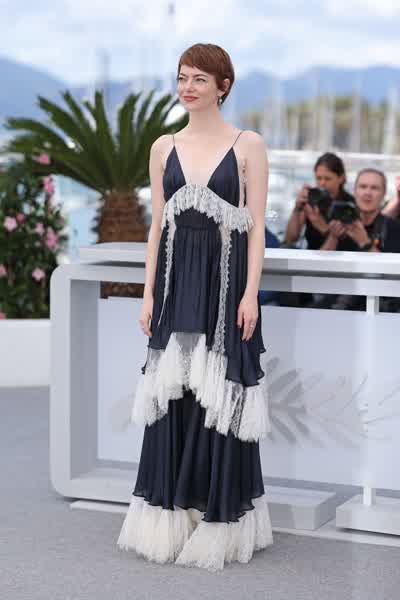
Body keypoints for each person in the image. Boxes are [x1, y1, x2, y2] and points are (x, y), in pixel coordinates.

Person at [117, 43, 273, 571]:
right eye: (183, 77)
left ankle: (216, 518)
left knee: (221, 396)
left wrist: (251, 293)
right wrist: (147, 293)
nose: (188, 87)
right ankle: (173, 515)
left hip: (226, 288)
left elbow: (257, 228)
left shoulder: (248, 144)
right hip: (175, 284)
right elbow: (156, 228)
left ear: (222, 87)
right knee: (173, 394)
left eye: (200, 78)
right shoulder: (164, 146)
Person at [317, 168, 400, 310]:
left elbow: (390, 278)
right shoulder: (340, 222)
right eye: (363, 187)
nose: (367, 193)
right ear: (355, 191)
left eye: (374, 188)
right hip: (334, 300)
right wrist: (333, 237)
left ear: (383, 194)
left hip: (374, 305)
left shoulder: (393, 228)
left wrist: (365, 242)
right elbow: (316, 267)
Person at [284, 152, 355, 249]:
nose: (322, 183)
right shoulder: (312, 199)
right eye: (318, 178)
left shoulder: (349, 204)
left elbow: (348, 245)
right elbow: (290, 239)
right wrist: (297, 208)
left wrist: (323, 228)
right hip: (311, 255)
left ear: (341, 178)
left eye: (327, 179)